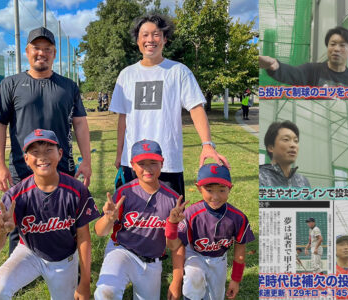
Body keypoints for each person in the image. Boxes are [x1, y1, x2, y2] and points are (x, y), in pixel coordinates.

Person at [0, 26, 92, 254]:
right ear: (27, 51)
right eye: (37, 48)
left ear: (54, 53)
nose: (42, 53)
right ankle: (19, 262)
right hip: (22, 165)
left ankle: (69, 261)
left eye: (48, 49)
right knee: (17, 214)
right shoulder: (10, 84)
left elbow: (80, 124)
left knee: (66, 215)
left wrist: (87, 160)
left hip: (61, 164)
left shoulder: (68, 86)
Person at [110, 14, 229, 198]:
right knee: (132, 219)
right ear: (138, 41)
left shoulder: (179, 72)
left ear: (165, 39)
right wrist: (120, 155)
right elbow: (123, 118)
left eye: (156, 34)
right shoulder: (126, 75)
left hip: (168, 163)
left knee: (171, 220)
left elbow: (196, 108)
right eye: (145, 35)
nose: (150, 40)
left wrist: (207, 144)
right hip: (133, 162)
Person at [0, 129, 100, 300]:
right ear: (26, 159)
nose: (42, 157)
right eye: (35, 152)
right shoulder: (16, 195)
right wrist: (0, 232)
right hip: (30, 252)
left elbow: (83, 237)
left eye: (48, 150)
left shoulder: (76, 190)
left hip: (64, 258)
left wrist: (84, 282)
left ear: (60, 154)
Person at [94, 140, 184, 300]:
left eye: (153, 163)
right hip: (122, 251)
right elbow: (100, 232)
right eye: (141, 163)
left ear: (162, 163)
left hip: (152, 261)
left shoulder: (173, 199)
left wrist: (177, 281)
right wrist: (108, 219)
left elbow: (177, 246)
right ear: (132, 165)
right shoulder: (124, 193)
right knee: (106, 292)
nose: (148, 169)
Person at [166, 163, 255, 299]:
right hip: (195, 254)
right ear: (199, 188)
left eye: (221, 190)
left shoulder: (238, 218)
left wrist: (235, 280)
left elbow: (240, 251)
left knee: (215, 297)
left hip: (219, 259)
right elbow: (173, 246)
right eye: (209, 190)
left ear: (230, 188)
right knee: (193, 277)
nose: (215, 196)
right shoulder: (191, 213)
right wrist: (172, 224)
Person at [259, 26, 348, 88]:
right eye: (333, 44)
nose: (336, 49)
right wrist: (276, 66)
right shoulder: (312, 70)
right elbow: (293, 73)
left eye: (342, 45)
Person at [259, 120, 311, 188]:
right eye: (286, 139)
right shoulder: (261, 178)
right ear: (271, 147)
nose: (293, 145)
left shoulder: (303, 182)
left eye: (296, 141)